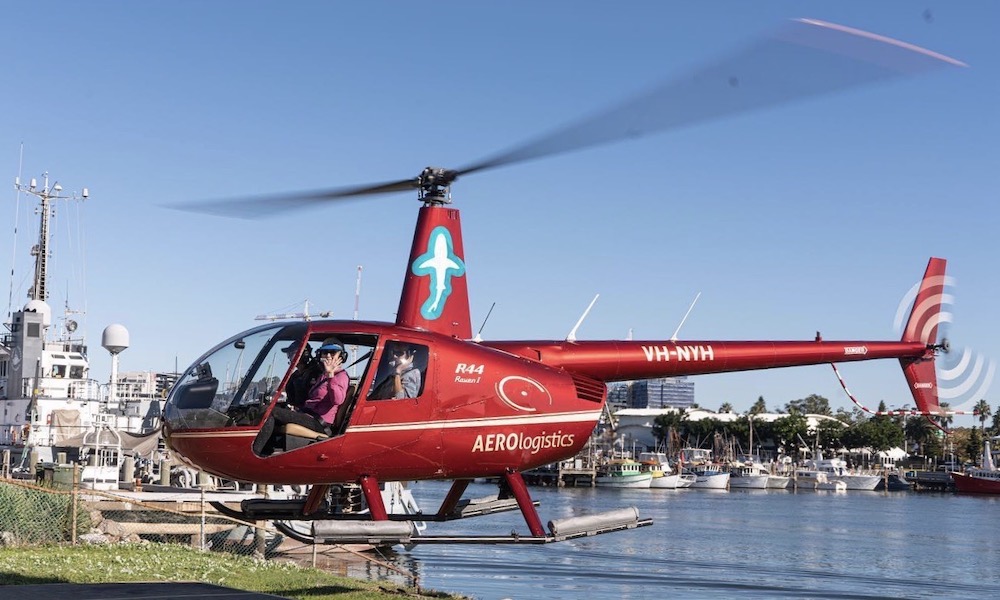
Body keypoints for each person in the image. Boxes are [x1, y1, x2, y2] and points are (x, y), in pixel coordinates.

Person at [303, 337, 350, 425]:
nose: (328, 356)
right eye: (325, 352)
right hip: (308, 415)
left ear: (342, 356)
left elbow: (337, 400)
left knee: (274, 413)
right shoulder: (323, 375)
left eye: (333, 352)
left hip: (320, 421)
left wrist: (331, 376)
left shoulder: (342, 376)